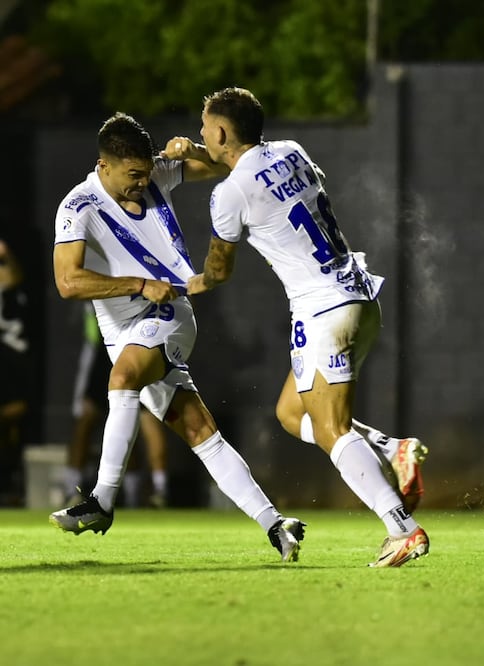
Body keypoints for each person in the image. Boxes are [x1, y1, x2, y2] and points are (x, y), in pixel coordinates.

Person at [185, 86, 429, 567]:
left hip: (323, 310)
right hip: (358, 295)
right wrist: (200, 154)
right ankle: (392, 447)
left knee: (332, 428)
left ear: (219, 131)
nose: (199, 133)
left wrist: (183, 283)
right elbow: (263, 173)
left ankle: (402, 529)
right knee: (292, 415)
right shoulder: (293, 151)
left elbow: (218, 271)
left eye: (203, 127)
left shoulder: (227, 194)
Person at [50, 112, 305, 562]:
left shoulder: (156, 173)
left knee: (124, 377)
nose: (142, 182)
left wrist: (195, 152)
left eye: (147, 172)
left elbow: (230, 166)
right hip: (122, 330)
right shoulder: (77, 207)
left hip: (169, 313)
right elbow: (68, 283)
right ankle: (275, 524)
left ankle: (102, 500)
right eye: (132, 175)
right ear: (103, 166)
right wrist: (137, 282)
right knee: (200, 431)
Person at [63, 302, 168, 508]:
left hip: (141, 349)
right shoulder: (101, 284)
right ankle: (71, 489)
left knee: (148, 423)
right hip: (106, 357)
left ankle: (158, 491)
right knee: (88, 421)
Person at [0, 236, 34, 504]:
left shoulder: (11, 279)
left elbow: (14, 278)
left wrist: (6, 254)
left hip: (12, 354)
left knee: (17, 410)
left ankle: (11, 476)